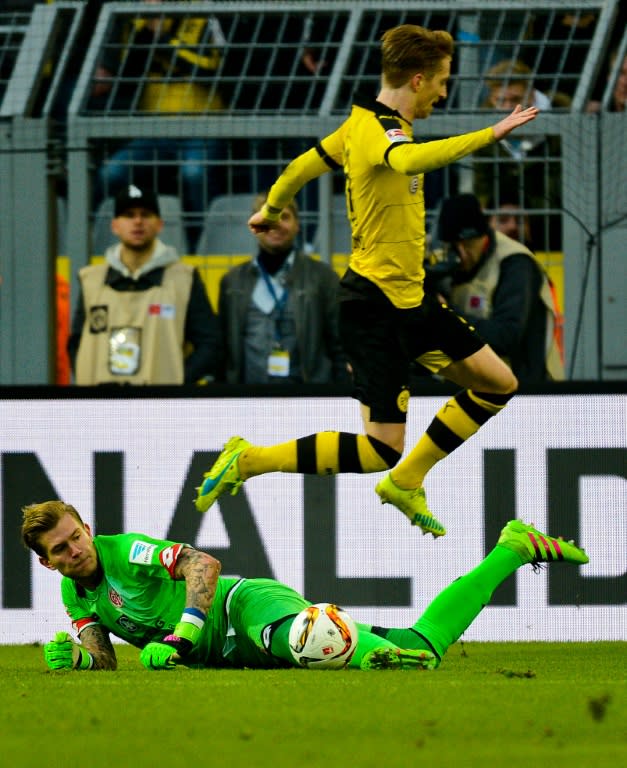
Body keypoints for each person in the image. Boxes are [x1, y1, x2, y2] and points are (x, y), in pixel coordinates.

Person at [195, 24, 540, 537]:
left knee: (498, 384)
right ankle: (248, 460)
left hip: (412, 298)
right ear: (419, 80)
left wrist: (271, 207)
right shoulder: (382, 131)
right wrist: (489, 134)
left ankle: (408, 481)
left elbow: (300, 168)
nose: (445, 93)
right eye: (442, 82)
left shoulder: (359, 124)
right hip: (373, 306)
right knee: (380, 447)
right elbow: (407, 159)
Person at [21, 500, 588, 672]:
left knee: (301, 638)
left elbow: (204, 566)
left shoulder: (126, 551)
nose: (76, 550)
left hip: (244, 605)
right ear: (49, 564)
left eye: (77, 537)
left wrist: (183, 636)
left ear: (88, 529)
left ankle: (378, 660)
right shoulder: (74, 594)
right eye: (62, 550)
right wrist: (76, 660)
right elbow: (106, 660)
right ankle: (512, 549)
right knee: (423, 644)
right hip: (229, 655)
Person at [92, 1, 227, 251]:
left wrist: (162, 38)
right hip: (154, 128)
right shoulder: (136, 19)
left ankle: (202, 247)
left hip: (202, 125)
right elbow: (127, 74)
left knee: (194, 173)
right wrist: (146, 32)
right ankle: (100, 243)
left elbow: (210, 70)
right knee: (112, 173)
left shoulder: (201, 15)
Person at [67, 184, 217, 385]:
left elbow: (210, 345)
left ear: (159, 224)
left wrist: (178, 382)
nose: (137, 221)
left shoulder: (184, 279)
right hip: (101, 408)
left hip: (160, 408)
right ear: (115, 225)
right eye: (129, 215)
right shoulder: (91, 280)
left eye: (146, 214)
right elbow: (76, 343)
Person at [429, 194, 564, 384]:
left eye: (467, 244)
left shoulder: (516, 264)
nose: (461, 253)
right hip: (472, 383)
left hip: (525, 387)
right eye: (453, 246)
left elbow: (506, 338)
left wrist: (446, 314)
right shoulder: (441, 258)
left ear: (483, 235)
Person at [217, 192, 349, 385]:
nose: (276, 225)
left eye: (285, 217)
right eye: (267, 218)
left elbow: (340, 346)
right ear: (255, 226)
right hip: (246, 403)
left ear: (297, 225)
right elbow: (222, 351)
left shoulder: (323, 278)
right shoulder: (232, 282)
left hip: (311, 400)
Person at [473, 58, 562, 251]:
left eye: (514, 100)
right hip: (502, 220)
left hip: (553, 225)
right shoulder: (481, 120)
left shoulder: (563, 113)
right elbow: (482, 185)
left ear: (531, 95)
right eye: (500, 101)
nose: (506, 109)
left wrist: (523, 214)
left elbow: (558, 190)